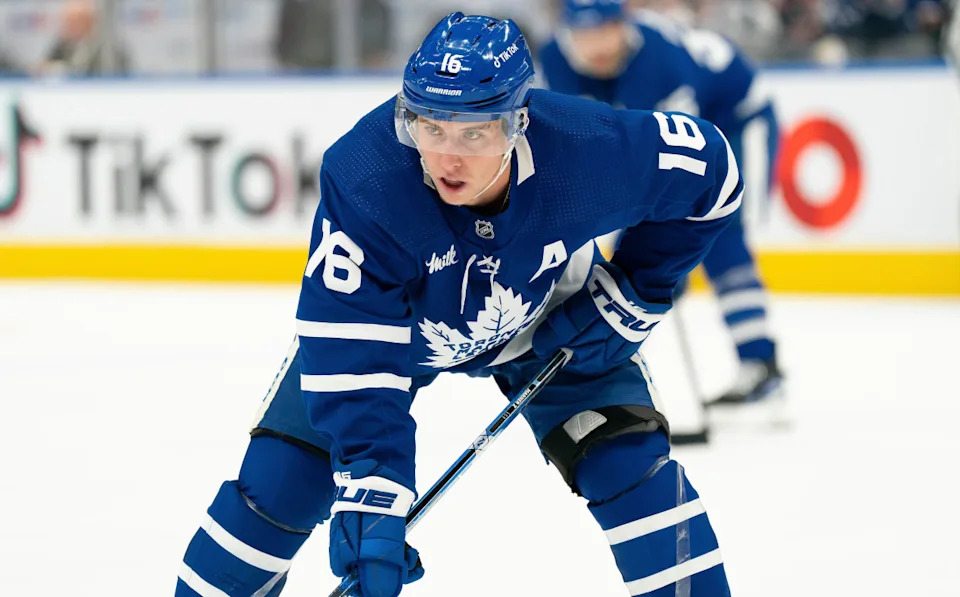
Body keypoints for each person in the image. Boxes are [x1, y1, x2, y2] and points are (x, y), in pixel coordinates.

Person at [176, 12, 740, 597]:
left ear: (519, 122)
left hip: (553, 321)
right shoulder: (366, 178)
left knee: (632, 471)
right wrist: (373, 493)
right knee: (275, 492)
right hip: (396, 338)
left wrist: (633, 294)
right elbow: (351, 348)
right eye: (431, 126)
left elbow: (714, 175)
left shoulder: (586, 151)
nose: (447, 158)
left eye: (474, 133)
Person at [541, 0, 784, 406]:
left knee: (723, 227)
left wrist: (667, 260)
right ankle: (605, 366)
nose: (595, 45)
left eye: (605, 30)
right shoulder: (555, 58)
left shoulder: (659, 64)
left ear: (625, 24)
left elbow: (676, 170)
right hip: (673, 130)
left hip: (734, 119)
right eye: (583, 33)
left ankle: (761, 364)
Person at [39, 0, 129, 76]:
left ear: (89, 23)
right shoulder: (62, 43)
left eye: (75, 21)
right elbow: (44, 65)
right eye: (68, 21)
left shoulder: (107, 48)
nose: (70, 26)